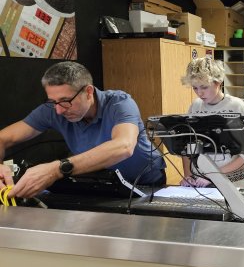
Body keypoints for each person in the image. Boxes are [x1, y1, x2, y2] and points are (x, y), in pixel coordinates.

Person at [0, 61, 166, 198]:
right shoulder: (53, 109)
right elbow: (3, 138)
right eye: (53, 101)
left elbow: (123, 146)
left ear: (88, 92)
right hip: (104, 183)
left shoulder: (119, 103)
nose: (59, 110)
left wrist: (55, 170)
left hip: (146, 182)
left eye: (66, 100)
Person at [179, 57, 244, 188]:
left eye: (204, 87)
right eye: (195, 88)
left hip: (231, 183)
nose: (199, 93)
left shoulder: (237, 107)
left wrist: (216, 174)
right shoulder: (195, 106)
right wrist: (188, 176)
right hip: (201, 183)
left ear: (218, 82)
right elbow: (187, 146)